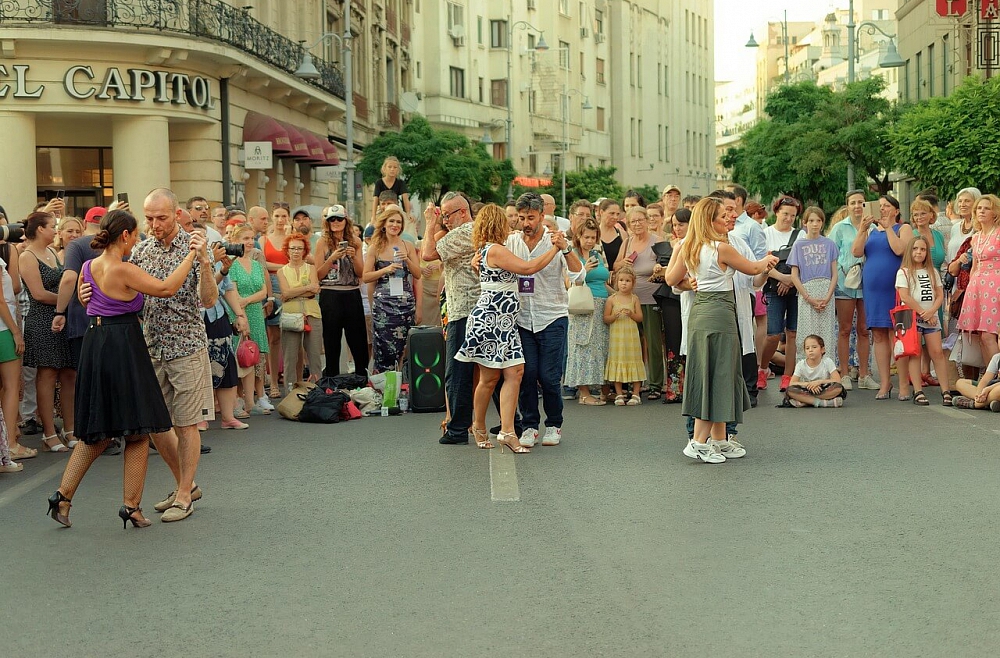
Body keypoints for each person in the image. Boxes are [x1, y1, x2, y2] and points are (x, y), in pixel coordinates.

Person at [46, 209, 203, 529]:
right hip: (122, 345)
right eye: (136, 233)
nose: (139, 238)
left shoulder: (89, 266)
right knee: (138, 431)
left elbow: (89, 302)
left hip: (96, 343)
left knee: (98, 433)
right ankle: (131, 506)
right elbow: (165, 289)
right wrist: (191, 257)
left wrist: (83, 297)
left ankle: (62, 496)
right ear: (126, 235)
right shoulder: (124, 268)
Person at [665, 197, 777, 463]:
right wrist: (769, 259)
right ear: (710, 221)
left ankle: (719, 439)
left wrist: (690, 282)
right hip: (719, 313)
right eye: (722, 216)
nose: (727, 220)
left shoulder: (689, 246)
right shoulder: (721, 248)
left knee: (716, 372)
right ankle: (698, 442)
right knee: (718, 373)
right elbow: (753, 268)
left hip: (701, 312)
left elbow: (671, 279)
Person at [131, 188, 217, 523]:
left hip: (187, 347)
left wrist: (205, 262)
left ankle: (183, 495)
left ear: (177, 214)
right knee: (156, 424)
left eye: (161, 217)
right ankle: (187, 484)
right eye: (149, 218)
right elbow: (126, 290)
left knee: (186, 424)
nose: (154, 224)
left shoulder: (193, 246)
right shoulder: (142, 249)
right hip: (152, 347)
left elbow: (208, 300)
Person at [455, 204, 561, 453]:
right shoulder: (495, 249)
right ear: (497, 224)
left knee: (515, 373)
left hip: (506, 321)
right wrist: (555, 249)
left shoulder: (490, 249)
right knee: (489, 378)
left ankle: (507, 431)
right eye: (505, 220)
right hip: (491, 320)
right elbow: (528, 268)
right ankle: (479, 426)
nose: (511, 223)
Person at [510, 192, 582, 448]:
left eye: (531, 217)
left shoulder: (555, 240)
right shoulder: (512, 242)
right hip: (522, 318)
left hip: (552, 316)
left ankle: (554, 424)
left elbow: (579, 275)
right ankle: (530, 425)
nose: (526, 223)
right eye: (522, 218)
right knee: (526, 374)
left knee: (549, 376)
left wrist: (566, 248)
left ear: (542, 216)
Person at [421, 192, 478, 445]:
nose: (444, 221)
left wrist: (429, 222)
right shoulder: (469, 231)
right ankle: (510, 423)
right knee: (487, 371)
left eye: (447, 215)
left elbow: (427, 253)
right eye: (442, 216)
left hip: (465, 310)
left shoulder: (465, 231)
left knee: (457, 373)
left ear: (462, 212)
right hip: (467, 308)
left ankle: (458, 428)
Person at [20, 211, 75, 453]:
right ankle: (49, 433)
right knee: (48, 375)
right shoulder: (27, 256)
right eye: (53, 226)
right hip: (42, 321)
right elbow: (39, 294)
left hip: (62, 318)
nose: (56, 230)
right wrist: (68, 300)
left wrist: (65, 304)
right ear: (40, 229)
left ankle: (70, 429)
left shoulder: (52, 251)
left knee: (69, 374)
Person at [854, 194, 914, 399]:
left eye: (886, 206)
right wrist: (862, 229)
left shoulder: (903, 228)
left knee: (898, 336)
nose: (882, 209)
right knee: (878, 335)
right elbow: (856, 252)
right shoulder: (871, 231)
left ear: (896, 210)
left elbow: (900, 250)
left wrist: (888, 227)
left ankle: (904, 385)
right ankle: (885, 383)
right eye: (879, 206)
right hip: (873, 291)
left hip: (897, 289)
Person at [194, 224, 250, 430]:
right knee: (199, 368)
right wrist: (213, 266)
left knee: (226, 365)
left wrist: (240, 315)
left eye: (204, 238)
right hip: (195, 319)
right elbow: (201, 292)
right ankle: (200, 417)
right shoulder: (184, 260)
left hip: (217, 316)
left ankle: (228, 417)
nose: (202, 242)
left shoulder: (214, 259)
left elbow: (225, 290)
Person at [363, 204, 422, 373]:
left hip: (405, 305)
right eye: (391, 221)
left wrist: (407, 260)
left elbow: (418, 275)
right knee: (384, 348)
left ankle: (402, 381)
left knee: (404, 347)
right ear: (384, 224)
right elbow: (366, 276)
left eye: (398, 222)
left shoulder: (407, 246)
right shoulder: (375, 247)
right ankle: (385, 383)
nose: (395, 225)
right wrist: (385, 270)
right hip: (383, 306)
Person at [613, 206, 665, 400]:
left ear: (647, 221)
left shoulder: (657, 241)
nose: (637, 224)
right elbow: (616, 265)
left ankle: (656, 384)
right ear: (628, 224)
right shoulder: (627, 242)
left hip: (651, 298)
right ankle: (634, 383)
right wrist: (623, 263)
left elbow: (667, 265)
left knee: (653, 342)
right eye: (633, 221)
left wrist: (658, 267)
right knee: (632, 343)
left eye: (640, 220)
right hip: (629, 300)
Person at [828, 190, 877, 391]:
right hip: (845, 283)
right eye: (853, 203)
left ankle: (864, 374)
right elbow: (831, 255)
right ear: (847, 206)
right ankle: (844, 373)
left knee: (865, 329)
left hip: (868, 282)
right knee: (845, 329)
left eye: (861, 203)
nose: (857, 206)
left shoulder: (874, 227)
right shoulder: (839, 228)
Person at [895, 235, 952, 406]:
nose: (918, 252)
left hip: (931, 318)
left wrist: (931, 312)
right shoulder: (903, 272)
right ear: (909, 251)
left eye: (922, 249)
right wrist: (922, 312)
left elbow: (940, 294)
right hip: (911, 318)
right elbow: (905, 296)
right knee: (915, 353)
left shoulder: (932, 271)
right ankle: (918, 391)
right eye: (915, 249)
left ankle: (946, 391)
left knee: (937, 353)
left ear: (927, 252)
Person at [314, 205, 368, 377]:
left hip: (351, 292)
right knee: (331, 339)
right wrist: (331, 258)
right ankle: (331, 377)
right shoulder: (322, 242)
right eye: (332, 219)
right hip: (330, 293)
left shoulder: (356, 241)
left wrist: (353, 257)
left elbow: (361, 273)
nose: (335, 222)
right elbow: (318, 274)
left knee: (358, 339)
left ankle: (361, 376)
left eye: (339, 219)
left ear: (346, 221)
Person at [564, 219, 611, 406]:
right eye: (586, 237)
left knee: (600, 348)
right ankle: (583, 393)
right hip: (582, 306)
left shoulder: (596, 254)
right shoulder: (572, 255)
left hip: (602, 304)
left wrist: (619, 295)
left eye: (593, 237)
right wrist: (583, 270)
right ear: (578, 236)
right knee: (582, 347)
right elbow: (569, 283)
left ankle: (601, 389)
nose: (590, 241)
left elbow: (603, 282)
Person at [759, 196, 802, 392]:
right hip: (773, 287)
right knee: (773, 334)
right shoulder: (765, 234)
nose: (789, 218)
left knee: (792, 333)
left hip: (795, 288)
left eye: (793, 215)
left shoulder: (800, 235)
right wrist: (782, 279)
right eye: (785, 214)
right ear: (776, 212)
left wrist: (791, 281)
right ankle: (763, 368)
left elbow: (802, 263)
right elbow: (761, 263)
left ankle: (788, 375)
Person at [228, 223, 271, 415]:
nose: (250, 242)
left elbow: (263, 291)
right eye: (245, 238)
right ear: (235, 241)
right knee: (240, 356)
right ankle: (238, 400)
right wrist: (241, 313)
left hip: (255, 313)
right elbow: (232, 291)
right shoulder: (231, 264)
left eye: (252, 238)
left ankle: (254, 400)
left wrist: (247, 300)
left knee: (255, 356)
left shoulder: (257, 265)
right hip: (238, 313)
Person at [789, 206, 838, 360]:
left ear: (822, 223)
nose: (815, 224)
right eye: (811, 220)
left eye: (818, 220)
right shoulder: (798, 245)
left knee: (826, 332)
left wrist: (828, 297)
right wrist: (808, 297)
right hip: (806, 291)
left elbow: (835, 274)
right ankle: (805, 368)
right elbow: (794, 276)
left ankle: (827, 367)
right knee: (806, 332)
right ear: (805, 223)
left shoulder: (829, 244)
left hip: (826, 290)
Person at [277, 234, 323, 392]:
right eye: (293, 248)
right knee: (290, 356)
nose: (296, 251)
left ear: (304, 251)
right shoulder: (281, 271)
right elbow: (285, 292)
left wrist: (293, 292)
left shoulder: (311, 268)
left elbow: (314, 290)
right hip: (290, 315)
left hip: (312, 313)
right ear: (287, 250)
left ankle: (317, 390)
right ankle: (289, 392)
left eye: (299, 248)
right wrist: (307, 288)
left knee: (314, 355)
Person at [957, 194, 1000, 366]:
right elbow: (974, 266)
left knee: (989, 335)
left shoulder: (999, 233)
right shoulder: (976, 237)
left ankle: (997, 375)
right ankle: (991, 378)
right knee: (981, 336)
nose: (981, 211)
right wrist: (969, 288)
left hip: (995, 286)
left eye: (987, 208)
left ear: (995, 212)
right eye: (979, 208)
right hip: (977, 286)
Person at [604, 265, 645, 406]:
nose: (624, 283)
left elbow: (640, 317)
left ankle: (636, 393)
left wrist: (632, 314)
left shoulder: (634, 299)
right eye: (621, 280)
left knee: (634, 360)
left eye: (627, 281)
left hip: (631, 338)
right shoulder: (611, 299)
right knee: (618, 360)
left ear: (633, 283)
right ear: (616, 282)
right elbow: (606, 318)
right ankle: (619, 393)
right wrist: (613, 316)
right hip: (617, 338)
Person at [262, 202, 290, 399]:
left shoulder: (292, 238)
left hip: (290, 284)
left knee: (293, 334)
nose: (280, 220)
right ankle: (272, 381)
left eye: (284, 216)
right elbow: (262, 263)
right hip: (271, 286)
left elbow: (300, 258)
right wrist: (283, 266)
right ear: (272, 217)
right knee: (273, 337)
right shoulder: (264, 239)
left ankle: (291, 379)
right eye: (277, 216)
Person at [782, 335, 846, 408]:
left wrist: (819, 382)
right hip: (807, 389)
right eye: (807, 348)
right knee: (790, 390)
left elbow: (837, 381)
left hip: (823, 389)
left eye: (814, 347)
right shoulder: (801, 364)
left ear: (822, 349)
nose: (810, 350)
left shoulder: (828, 362)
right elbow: (792, 383)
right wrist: (809, 384)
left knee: (838, 387)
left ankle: (806, 401)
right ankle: (821, 403)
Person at [372, 156, 412, 225]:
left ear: (398, 170)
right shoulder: (379, 182)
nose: (392, 169)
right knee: (375, 224)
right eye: (389, 167)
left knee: (406, 221)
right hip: (382, 208)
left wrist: (408, 213)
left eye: (395, 167)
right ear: (384, 168)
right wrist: (373, 216)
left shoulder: (400, 183)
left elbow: (405, 198)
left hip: (395, 207)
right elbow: (375, 199)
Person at [598, 199, 627, 266]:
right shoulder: (592, 234)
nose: (615, 217)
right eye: (612, 213)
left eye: (618, 214)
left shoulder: (622, 235)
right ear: (601, 212)